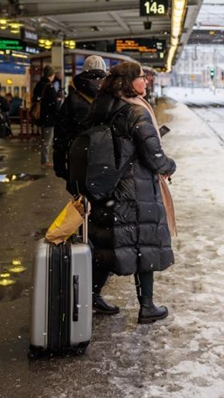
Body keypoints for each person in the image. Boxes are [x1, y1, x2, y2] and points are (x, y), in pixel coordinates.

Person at [87, 62, 176, 324]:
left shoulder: (102, 106)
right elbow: (152, 154)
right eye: (141, 77)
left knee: (108, 243)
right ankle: (147, 306)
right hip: (135, 188)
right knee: (143, 246)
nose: (146, 81)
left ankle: (91, 294)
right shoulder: (136, 111)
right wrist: (169, 166)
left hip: (109, 185)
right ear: (128, 81)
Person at [54, 55, 108, 183]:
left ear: (83, 71)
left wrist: (59, 164)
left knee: (81, 194)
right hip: (106, 156)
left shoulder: (72, 99)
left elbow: (61, 134)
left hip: (79, 155)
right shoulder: (112, 96)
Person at [33, 65, 61, 167]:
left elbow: (35, 98)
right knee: (47, 140)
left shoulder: (39, 84)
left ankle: (44, 159)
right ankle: (44, 161)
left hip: (41, 116)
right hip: (48, 118)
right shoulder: (49, 86)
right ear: (51, 75)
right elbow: (54, 104)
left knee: (44, 139)